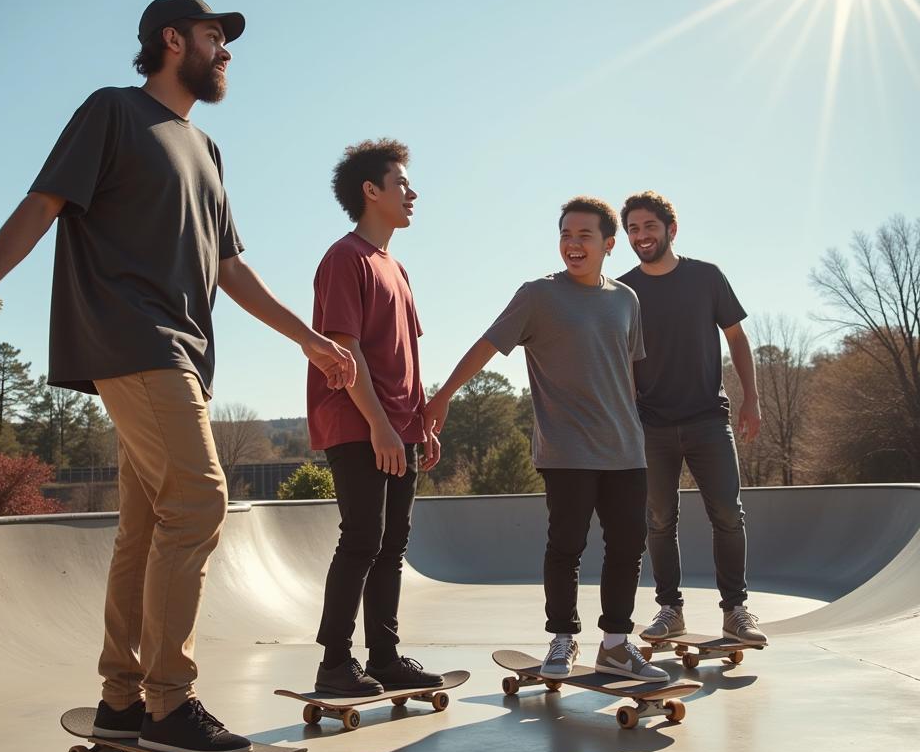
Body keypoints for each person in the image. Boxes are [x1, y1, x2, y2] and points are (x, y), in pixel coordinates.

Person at [0, 0, 355, 752]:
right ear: (171, 38)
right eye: (215, 37)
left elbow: (231, 270)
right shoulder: (113, 112)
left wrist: (310, 340)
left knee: (147, 525)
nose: (225, 52)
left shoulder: (206, 149)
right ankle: (171, 701)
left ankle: (122, 700)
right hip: (133, 340)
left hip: (182, 350)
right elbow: (42, 205)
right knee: (200, 499)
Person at [425, 197, 669, 682]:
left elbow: (631, 371)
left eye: (584, 236)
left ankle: (617, 645)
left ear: (608, 244)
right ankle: (562, 639)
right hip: (567, 450)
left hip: (625, 448)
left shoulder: (626, 299)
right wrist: (444, 395)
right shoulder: (538, 295)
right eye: (565, 235)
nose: (573, 244)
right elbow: (488, 345)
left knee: (627, 547)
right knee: (567, 547)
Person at [308, 139, 443, 696]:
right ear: (371, 191)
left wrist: (420, 422)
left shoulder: (397, 267)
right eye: (401, 183)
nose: (412, 193)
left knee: (393, 545)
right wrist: (381, 426)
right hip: (359, 423)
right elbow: (346, 351)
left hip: (399, 427)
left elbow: (406, 355)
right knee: (362, 539)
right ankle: (335, 663)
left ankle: (384, 656)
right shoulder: (346, 258)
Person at [619, 190, 766, 644]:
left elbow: (737, 338)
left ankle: (736, 611)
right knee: (659, 519)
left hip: (708, 419)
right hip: (650, 424)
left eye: (649, 227)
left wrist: (751, 399)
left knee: (727, 513)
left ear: (670, 230)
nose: (641, 236)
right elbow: (616, 359)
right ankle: (669, 610)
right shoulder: (623, 291)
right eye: (633, 229)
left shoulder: (706, 277)